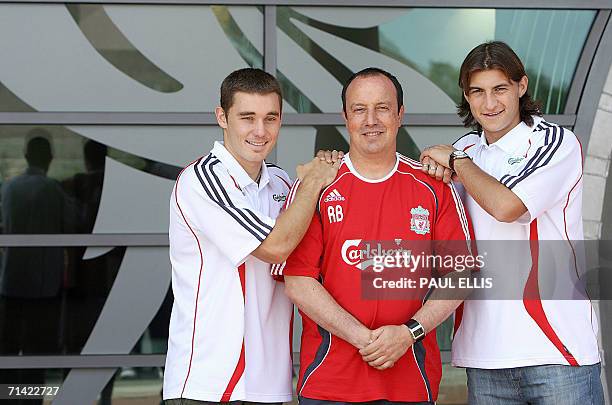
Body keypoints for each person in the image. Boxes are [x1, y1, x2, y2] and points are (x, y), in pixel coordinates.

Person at [420, 41, 604, 404]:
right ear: (467, 97)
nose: (489, 104)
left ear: (521, 87)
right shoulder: (465, 151)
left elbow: (509, 208)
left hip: (555, 354)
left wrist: (456, 162)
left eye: (500, 89)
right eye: (478, 92)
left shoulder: (555, 142)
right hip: (484, 356)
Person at [281, 67, 474, 405]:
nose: (371, 119)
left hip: (410, 380)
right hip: (329, 382)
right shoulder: (318, 186)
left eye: (382, 108)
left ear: (400, 114)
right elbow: (298, 281)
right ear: (345, 116)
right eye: (359, 109)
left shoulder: (433, 188)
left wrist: (407, 334)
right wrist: (364, 339)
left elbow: (462, 274)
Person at [162, 68, 342, 404]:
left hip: (270, 384)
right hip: (209, 385)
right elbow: (275, 247)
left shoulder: (281, 182)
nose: (260, 131)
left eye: (270, 118)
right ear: (222, 117)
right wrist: (313, 183)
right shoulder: (202, 180)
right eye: (247, 118)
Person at [0, 130, 70, 403]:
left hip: (12, 281)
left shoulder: (9, 188)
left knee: (8, 348)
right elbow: (74, 221)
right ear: (50, 158)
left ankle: (7, 399)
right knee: (36, 352)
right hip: (43, 286)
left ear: (26, 155)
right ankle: (31, 399)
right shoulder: (54, 190)